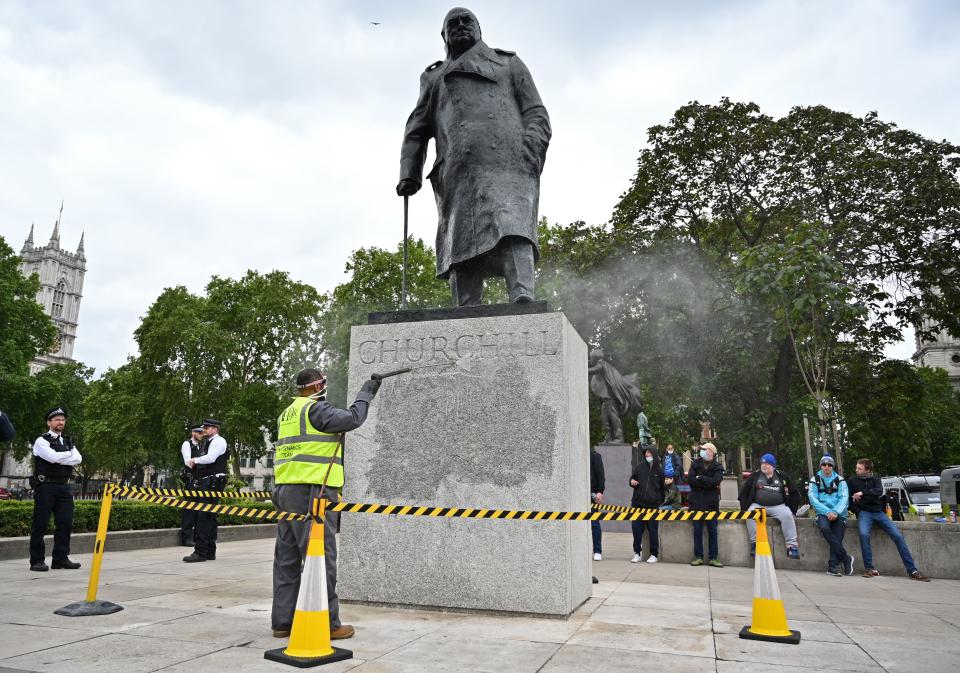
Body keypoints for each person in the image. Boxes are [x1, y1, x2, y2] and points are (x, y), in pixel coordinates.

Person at [396, 7, 551, 305]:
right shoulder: (434, 78)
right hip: (458, 169)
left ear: (480, 29)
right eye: (452, 24)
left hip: (509, 163)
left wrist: (531, 149)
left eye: (467, 21)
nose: (461, 26)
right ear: (443, 36)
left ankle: (522, 293)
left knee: (513, 224)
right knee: (461, 239)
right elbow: (416, 128)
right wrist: (409, 172)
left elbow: (536, 112)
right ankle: (466, 306)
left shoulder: (509, 64)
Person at [271, 368, 381, 641]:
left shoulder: (287, 413)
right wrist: (366, 392)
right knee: (320, 557)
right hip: (313, 493)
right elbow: (354, 418)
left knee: (287, 559)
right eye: (323, 384)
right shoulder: (315, 410)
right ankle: (329, 623)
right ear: (317, 385)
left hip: (285, 491)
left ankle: (283, 622)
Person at [848, 459, 930, 581]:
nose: (856, 470)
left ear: (868, 470)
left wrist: (862, 493)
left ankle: (912, 570)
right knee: (864, 534)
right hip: (864, 512)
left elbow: (878, 492)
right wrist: (857, 511)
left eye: (859, 468)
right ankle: (869, 568)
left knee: (898, 536)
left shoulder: (875, 479)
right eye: (857, 468)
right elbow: (849, 499)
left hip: (878, 512)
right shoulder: (852, 481)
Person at [29, 407, 82, 572]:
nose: (61, 422)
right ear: (49, 422)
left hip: (64, 487)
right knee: (41, 524)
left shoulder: (67, 441)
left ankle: (60, 559)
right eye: (57, 419)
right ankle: (37, 561)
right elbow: (52, 458)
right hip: (46, 487)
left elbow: (78, 459)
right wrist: (67, 456)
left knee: (65, 523)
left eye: (63, 420)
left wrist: (62, 457)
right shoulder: (41, 441)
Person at [182, 419, 229, 563]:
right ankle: (209, 551)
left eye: (207, 428)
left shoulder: (218, 441)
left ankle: (200, 552)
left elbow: (210, 458)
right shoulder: (210, 442)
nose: (204, 430)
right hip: (211, 481)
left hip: (212, 482)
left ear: (215, 429)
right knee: (209, 517)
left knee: (203, 516)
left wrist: (195, 460)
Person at [740, 453, 801, 559]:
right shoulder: (755, 476)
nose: (764, 465)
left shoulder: (783, 476)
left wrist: (793, 510)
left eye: (767, 463)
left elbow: (794, 493)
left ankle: (792, 547)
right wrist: (744, 508)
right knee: (750, 515)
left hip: (778, 506)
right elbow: (744, 492)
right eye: (762, 463)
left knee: (787, 515)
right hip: (758, 505)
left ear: (773, 465)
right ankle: (755, 544)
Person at [808, 455, 854, 576]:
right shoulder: (815, 480)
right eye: (824, 464)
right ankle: (846, 558)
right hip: (823, 512)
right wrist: (827, 512)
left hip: (839, 513)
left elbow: (844, 498)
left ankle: (832, 567)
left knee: (837, 537)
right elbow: (813, 499)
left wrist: (835, 512)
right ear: (821, 466)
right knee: (824, 528)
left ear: (833, 466)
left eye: (829, 465)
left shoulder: (840, 480)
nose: (827, 467)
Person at [687, 442, 724, 567]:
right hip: (696, 502)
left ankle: (713, 558)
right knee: (697, 531)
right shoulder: (695, 463)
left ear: (711, 452)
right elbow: (691, 480)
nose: (702, 451)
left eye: (705, 449)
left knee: (712, 531)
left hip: (711, 504)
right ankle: (698, 557)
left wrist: (700, 478)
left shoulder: (718, 466)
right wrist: (707, 482)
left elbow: (716, 481)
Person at [629, 446, 664, 563]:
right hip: (638, 504)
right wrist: (632, 482)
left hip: (652, 506)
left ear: (654, 454)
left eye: (649, 453)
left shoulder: (659, 470)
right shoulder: (639, 467)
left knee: (653, 530)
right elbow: (632, 479)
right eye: (646, 453)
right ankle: (637, 553)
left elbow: (662, 489)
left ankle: (654, 554)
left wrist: (658, 501)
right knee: (636, 529)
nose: (647, 455)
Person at [179, 424, 204, 547]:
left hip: (199, 481)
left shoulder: (200, 446)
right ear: (193, 432)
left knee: (197, 511)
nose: (201, 435)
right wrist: (201, 462)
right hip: (190, 481)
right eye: (199, 433)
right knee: (189, 510)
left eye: (202, 433)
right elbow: (188, 462)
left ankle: (194, 537)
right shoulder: (186, 444)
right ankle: (186, 538)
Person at [589, 445, 605, 561]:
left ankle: (597, 551)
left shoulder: (594, 456)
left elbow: (600, 474)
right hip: (578, 493)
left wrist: (600, 491)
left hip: (592, 493)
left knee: (594, 523)